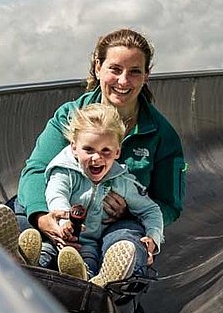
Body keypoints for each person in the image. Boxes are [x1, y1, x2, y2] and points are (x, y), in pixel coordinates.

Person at [0, 27, 186, 281]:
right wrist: (42, 216)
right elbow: (36, 170)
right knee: (23, 214)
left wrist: (130, 211)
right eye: (115, 69)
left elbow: (169, 204)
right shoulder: (70, 116)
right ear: (98, 67)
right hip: (60, 210)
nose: (123, 81)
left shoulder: (161, 134)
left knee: (127, 242)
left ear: (146, 76)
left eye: (134, 72)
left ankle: (101, 279)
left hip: (115, 224)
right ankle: (21, 256)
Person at [19, 102, 165, 284]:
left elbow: (150, 210)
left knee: (89, 260)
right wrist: (64, 221)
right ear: (74, 147)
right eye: (88, 150)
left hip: (88, 244)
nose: (97, 158)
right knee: (46, 251)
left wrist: (153, 237)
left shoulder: (121, 181)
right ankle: (26, 262)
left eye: (106, 151)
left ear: (117, 151)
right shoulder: (65, 170)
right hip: (57, 236)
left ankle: (93, 281)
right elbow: (57, 194)